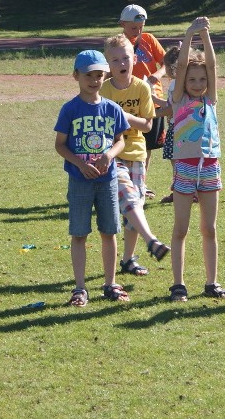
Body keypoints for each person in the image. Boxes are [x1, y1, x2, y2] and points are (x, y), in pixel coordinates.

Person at [54, 50, 130, 306]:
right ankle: (79, 288)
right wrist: (79, 163)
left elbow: (120, 140)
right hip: (79, 180)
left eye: (99, 75)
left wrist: (109, 155)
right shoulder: (70, 109)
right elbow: (60, 145)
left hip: (107, 180)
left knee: (109, 231)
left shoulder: (112, 108)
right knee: (79, 233)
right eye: (89, 75)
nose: (95, 80)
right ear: (76, 75)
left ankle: (110, 283)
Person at [168, 17, 225, 302]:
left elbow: (213, 66)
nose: (197, 83)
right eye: (192, 79)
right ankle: (178, 284)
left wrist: (205, 36)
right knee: (181, 228)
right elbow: (182, 66)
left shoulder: (211, 99)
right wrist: (189, 35)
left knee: (209, 228)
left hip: (210, 165)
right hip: (185, 166)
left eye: (202, 79)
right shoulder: (179, 99)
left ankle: (211, 283)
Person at [100, 34, 171, 278]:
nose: (122, 64)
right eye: (115, 60)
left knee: (135, 207)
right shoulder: (104, 90)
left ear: (134, 59)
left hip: (137, 154)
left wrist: (125, 117)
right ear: (108, 65)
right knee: (130, 198)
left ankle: (128, 260)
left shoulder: (142, 87)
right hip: (113, 155)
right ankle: (151, 241)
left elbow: (148, 126)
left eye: (126, 58)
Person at [118, 4, 166, 198]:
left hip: (151, 99)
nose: (138, 31)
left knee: (147, 145)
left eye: (141, 26)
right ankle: (124, 182)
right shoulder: (118, 44)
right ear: (122, 24)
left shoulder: (148, 39)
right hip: (127, 101)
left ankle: (141, 183)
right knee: (126, 141)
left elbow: (165, 64)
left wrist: (156, 76)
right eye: (133, 27)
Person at [155, 44, 181, 205]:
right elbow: (169, 104)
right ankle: (178, 190)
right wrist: (154, 99)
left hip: (178, 128)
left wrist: (152, 114)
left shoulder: (179, 84)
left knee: (178, 161)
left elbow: (173, 109)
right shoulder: (174, 84)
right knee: (174, 160)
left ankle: (183, 191)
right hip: (173, 127)